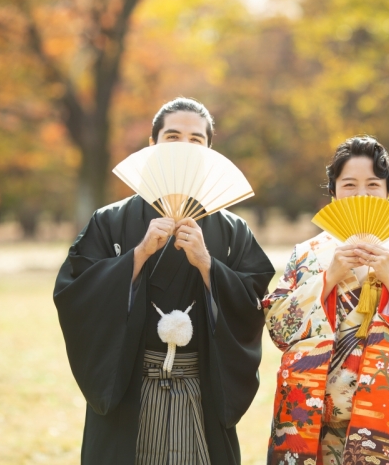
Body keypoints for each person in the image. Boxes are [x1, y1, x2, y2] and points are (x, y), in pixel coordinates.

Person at [54, 97, 275, 465]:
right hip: (128, 387)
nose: (183, 148)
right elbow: (76, 295)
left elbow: (253, 305)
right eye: (172, 137)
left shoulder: (232, 231)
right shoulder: (110, 221)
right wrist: (137, 256)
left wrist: (208, 266)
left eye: (195, 140)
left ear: (209, 152)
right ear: (153, 146)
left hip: (200, 388)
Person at [262, 136, 389, 465]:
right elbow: (279, 329)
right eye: (349, 184)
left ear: (388, 192)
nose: (361, 195)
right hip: (309, 410)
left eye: (372, 185)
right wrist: (330, 275)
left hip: (384, 411)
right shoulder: (307, 255)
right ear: (334, 190)